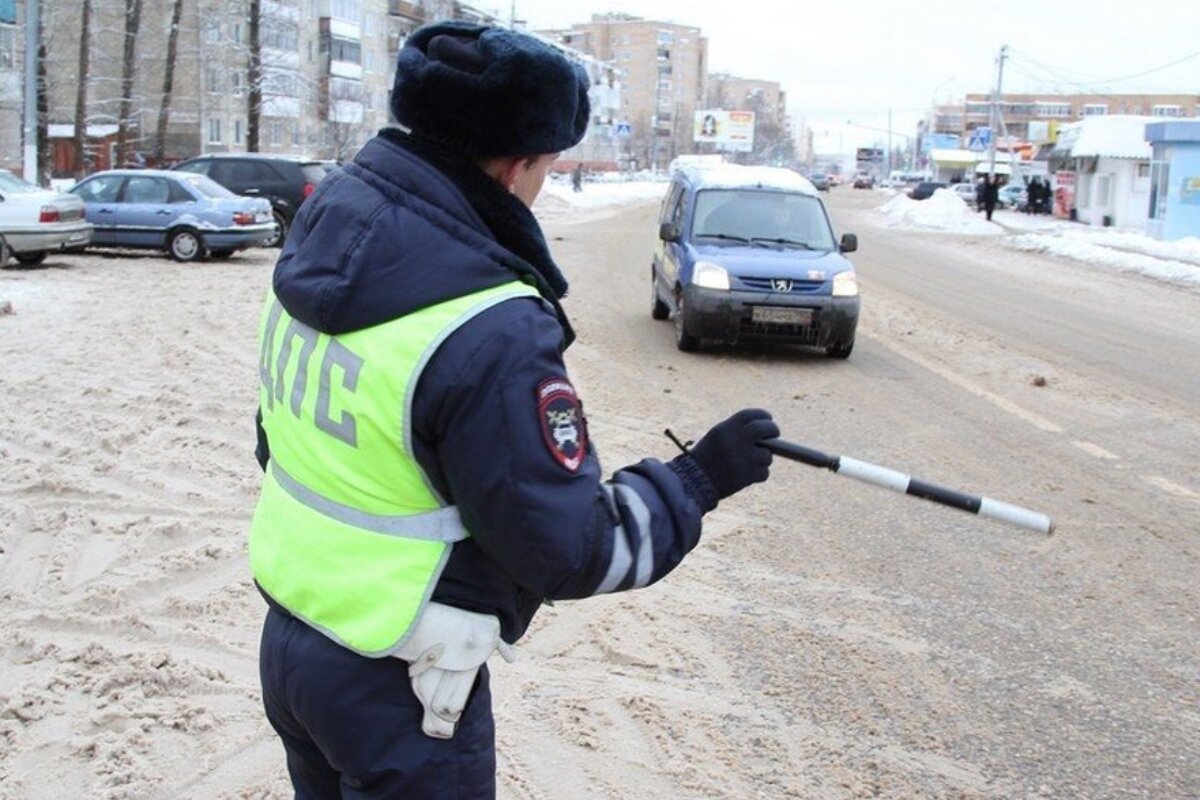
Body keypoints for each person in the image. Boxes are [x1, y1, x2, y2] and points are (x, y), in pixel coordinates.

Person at [249, 20, 778, 798]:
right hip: (402, 680)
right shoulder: (485, 320)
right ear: (517, 165)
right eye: (547, 166)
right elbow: (566, 550)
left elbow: (280, 444)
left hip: (295, 644)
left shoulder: (319, 249)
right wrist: (698, 480)